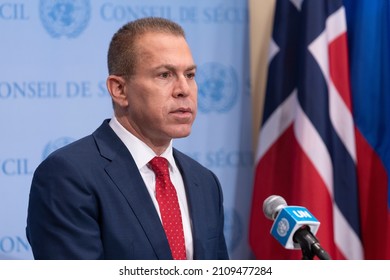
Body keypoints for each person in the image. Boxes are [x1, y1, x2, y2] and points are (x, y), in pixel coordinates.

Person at [26, 17, 229, 260]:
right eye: (165, 75)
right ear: (119, 90)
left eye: (190, 74)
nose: (184, 89)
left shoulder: (205, 182)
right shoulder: (67, 176)